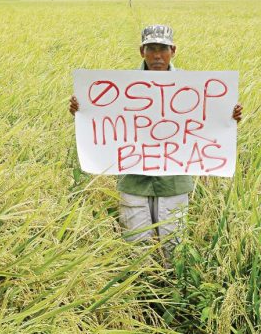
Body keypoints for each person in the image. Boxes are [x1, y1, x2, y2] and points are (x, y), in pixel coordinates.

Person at [69, 24, 242, 261]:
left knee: (173, 248)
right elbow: (102, 117)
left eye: (163, 48)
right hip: (134, 182)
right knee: (137, 250)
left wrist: (228, 115)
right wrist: (82, 110)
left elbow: (208, 120)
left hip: (174, 182)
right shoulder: (121, 87)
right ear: (142, 51)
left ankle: (172, 289)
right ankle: (142, 294)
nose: (157, 55)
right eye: (151, 48)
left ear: (173, 50)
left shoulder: (192, 86)